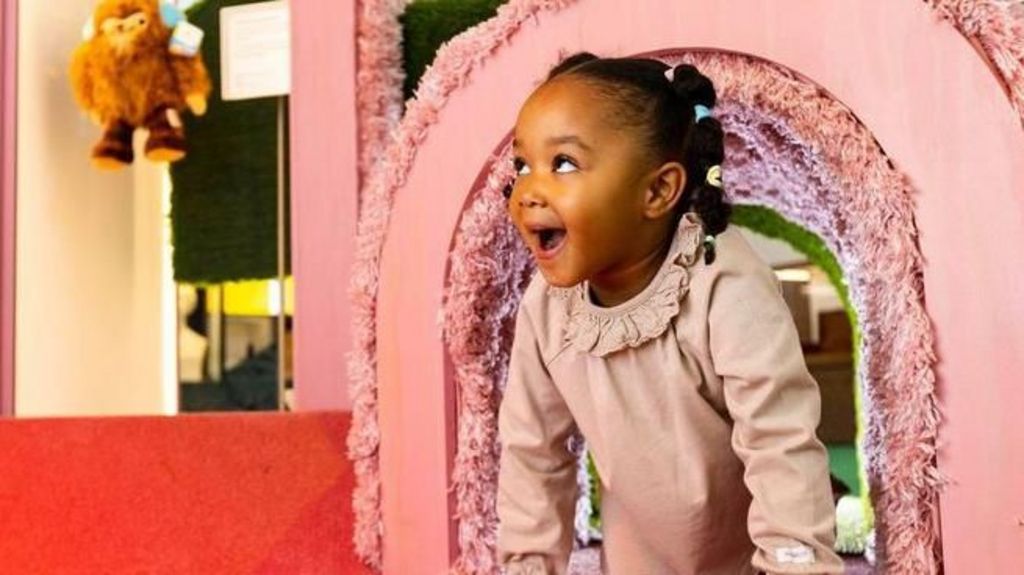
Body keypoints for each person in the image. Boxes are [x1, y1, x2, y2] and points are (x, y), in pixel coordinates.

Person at [496, 52, 845, 575]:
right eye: (522, 165)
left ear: (657, 190)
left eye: (563, 163)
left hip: (751, 561)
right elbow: (533, 456)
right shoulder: (547, 309)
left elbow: (780, 444)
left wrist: (794, 560)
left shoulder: (722, 282)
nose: (527, 191)